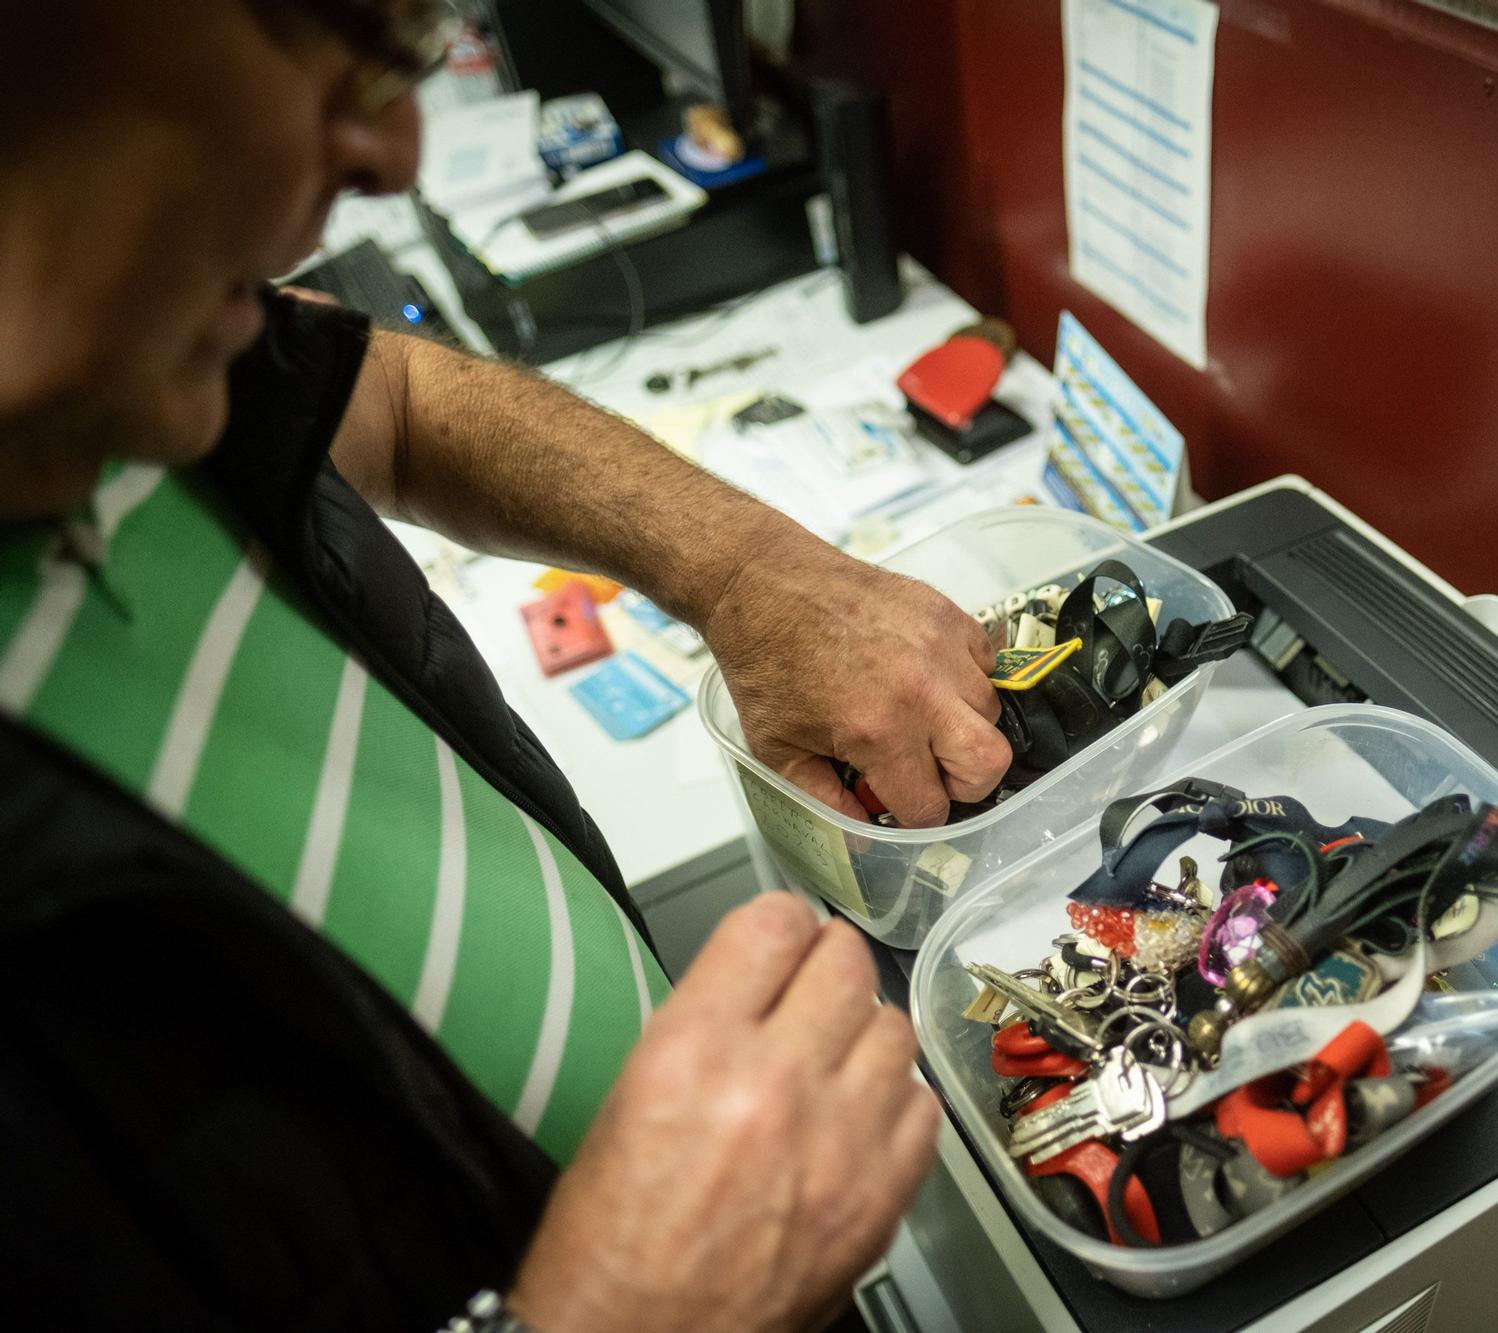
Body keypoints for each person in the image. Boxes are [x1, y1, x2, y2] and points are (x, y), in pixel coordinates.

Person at [0, 1, 1013, 1327]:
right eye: (329, 38)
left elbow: (398, 407)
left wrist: (746, 570)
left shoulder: (150, 349)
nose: (396, 153)